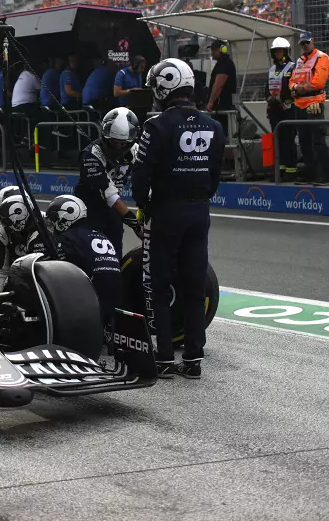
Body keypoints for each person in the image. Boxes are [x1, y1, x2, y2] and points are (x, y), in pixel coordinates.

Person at [132, 58, 225, 380]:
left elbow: (141, 175)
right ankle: (194, 357)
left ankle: (165, 356)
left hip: (167, 211)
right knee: (194, 283)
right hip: (200, 212)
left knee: (158, 283)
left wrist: (145, 204)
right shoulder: (214, 126)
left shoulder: (157, 126)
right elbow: (215, 175)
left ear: (163, 88)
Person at [45, 194, 122, 328]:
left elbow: (64, 272)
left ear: (68, 215)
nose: (53, 222)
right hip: (117, 293)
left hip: (91, 297)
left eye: (54, 218)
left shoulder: (67, 238)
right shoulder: (99, 233)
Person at [74, 107, 140, 258]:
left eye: (123, 144)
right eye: (114, 142)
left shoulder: (136, 150)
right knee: (91, 258)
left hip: (113, 215)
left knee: (115, 257)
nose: (118, 147)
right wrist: (136, 225)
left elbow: (146, 178)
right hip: (88, 212)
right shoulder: (90, 155)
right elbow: (109, 195)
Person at [290, 32, 329, 186]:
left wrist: (301, 88)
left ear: (313, 41)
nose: (304, 46)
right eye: (302, 44)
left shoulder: (322, 58)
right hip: (299, 105)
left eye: (306, 42)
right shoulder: (299, 60)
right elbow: (291, 81)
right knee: (304, 142)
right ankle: (310, 174)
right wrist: (296, 87)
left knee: (318, 141)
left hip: (314, 104)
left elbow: (319, 83)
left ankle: (326, 175)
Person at [265, 37, 298, 180]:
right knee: (277, 140)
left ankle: (291, 172)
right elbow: (266, 88)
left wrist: (283, 98)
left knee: (288, 140)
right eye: (275, 51)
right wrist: (269, 99)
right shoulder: (272, 69)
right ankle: (279, 171)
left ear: (286, 51)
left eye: (280, 50)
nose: (278, 53)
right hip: (274, 110)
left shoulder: (293, 67)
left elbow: (293, 87)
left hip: (288, 108)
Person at [205, 40, 237, 113]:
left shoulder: (224, 63)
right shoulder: (223, 63)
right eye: (212, 49)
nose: (212, 52)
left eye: (215, 49)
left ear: (222, 49)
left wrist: (211, 102)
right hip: (221, 107)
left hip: (222, 108)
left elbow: (218, 85)